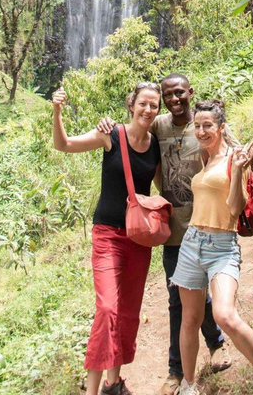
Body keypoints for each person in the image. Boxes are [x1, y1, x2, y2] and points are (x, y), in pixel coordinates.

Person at [97, 74, 233, 395]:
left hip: (203, 224)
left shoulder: (203, 124)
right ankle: (175, 371)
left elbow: (229, 146)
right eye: (167, 95)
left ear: (190, 93)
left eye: (179, 94)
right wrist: (107, 125)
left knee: (200, 292)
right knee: (177, 299)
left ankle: (215, 344)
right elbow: (134, 124)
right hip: (172, 229)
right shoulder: (158, 124)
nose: (174, 100)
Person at [53, 82, 162, 395]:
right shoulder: (110, 134)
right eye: (143, 103)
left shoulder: (155, 145)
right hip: (108, 236)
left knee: (128, 313)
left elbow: (164, 186)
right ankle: (91, 391)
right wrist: (57, 110)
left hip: (139, 239)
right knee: (107, 310)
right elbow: (64, 145)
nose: (148, 110)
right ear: (132, 104)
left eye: (154, 105)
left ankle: (113, 384)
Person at [169, 99, 253, 395]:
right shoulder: (204, 157)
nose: (201, 131)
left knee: (224, 315)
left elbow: (236, 208)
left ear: (222, 128)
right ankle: (188, 386)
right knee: (190, 319)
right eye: (197, 126)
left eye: (207, 126)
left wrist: (239, 170)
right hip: (191, 244)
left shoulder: (235, 159)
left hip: (222, 246)